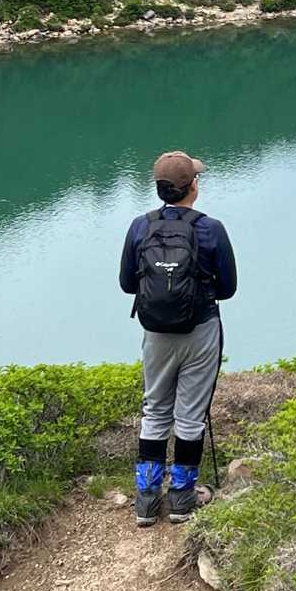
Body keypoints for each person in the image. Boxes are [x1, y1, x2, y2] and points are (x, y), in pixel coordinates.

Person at [119, 150, 237, 526]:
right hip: (201, 330)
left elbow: (127, 284)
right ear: (193, 187)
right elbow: (228, 289)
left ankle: (146, 499)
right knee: (190, 415)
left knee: (155, 410)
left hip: (155, 333)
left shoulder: (140, 227)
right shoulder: (211, 229)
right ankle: (183, 498)